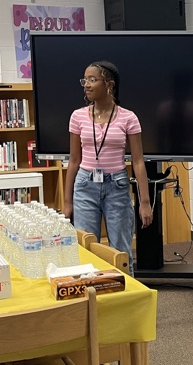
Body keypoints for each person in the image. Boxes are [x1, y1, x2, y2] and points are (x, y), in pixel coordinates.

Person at [64, 61, 153, 275]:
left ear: (109, 85)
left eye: (93, 79)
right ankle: (91, 302)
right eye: (84, 79)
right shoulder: (77, 116)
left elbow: (138, 162)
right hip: (85, 185)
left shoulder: (128, 117)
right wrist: (67, 203)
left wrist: (145, 202)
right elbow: (74, 161)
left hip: (117, 185)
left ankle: (125, 302)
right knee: (86, 248)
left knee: (121, 251)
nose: (86, 84)